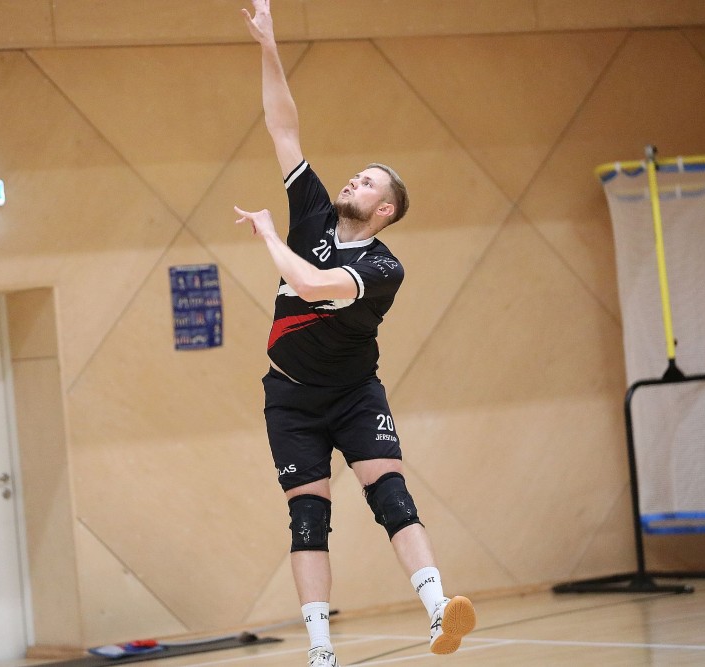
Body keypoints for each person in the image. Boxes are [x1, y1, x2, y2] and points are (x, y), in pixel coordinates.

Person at [234, 2, 476, 666]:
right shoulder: (314, 210)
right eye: (355, 174)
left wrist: (268, 236)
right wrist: (269, 46)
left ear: (384, 208)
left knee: (391, 494)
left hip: (352, 394)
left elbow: (312, 286)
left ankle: (439, 609)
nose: (352, 180)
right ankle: (321, 652)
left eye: (366, 181)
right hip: (290, 395)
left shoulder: (382, 267)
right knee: (308, 518)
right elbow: (283, 124)